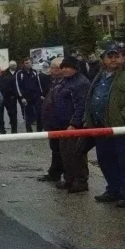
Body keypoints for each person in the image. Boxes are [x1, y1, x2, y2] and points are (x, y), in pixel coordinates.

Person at [83, 48, 125, 208]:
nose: (113, 60)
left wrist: (122, 118)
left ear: (123, 58)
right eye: (109, 56)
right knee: (105, 160)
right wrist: (88, 118)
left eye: (116, 56)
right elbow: (92, 97)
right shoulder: (100, 75)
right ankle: (113, 189)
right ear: (103, 59)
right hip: (100, 126)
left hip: (121, 128)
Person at [53, 57, 91, 193]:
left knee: (77, 154)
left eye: (67, 67)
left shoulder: (81, 83)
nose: (64, 70)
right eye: (62, 67)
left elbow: (81, 105)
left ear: (75, 68)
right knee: (65, 154)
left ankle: (81, 181)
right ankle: (69, 179)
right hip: (62, 124)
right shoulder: (64, 81)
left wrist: (74, 123)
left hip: (74, 126)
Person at [37, 58, 66, 184]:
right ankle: (54, 173)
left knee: (62, 150)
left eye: (54, 68)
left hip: (61, 123)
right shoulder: (55, 82)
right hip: (53, 123)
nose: (51, 70)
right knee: (55, 149)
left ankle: (66, 176)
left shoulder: (65, 83)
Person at [16, 58, 46, 132]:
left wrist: (41, 94)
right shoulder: (19, 73)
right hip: (26, 97)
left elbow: (38, 84)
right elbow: (18, 86)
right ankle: (29, 129)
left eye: (29, 62)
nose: (28, 64)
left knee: (39, 112)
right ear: (23, 64)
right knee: (27, 113)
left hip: (36, 95)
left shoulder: (34, 72)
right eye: (26, 63)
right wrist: (21, 97)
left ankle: (39, 129)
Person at [0, 65, 18, 134]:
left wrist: (14, 96)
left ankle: (14, 131)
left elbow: (14, 86)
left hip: (8, 98)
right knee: (0, 116)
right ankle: (2, 131)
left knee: (12, 115)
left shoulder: (8, 77)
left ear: (1, 69)